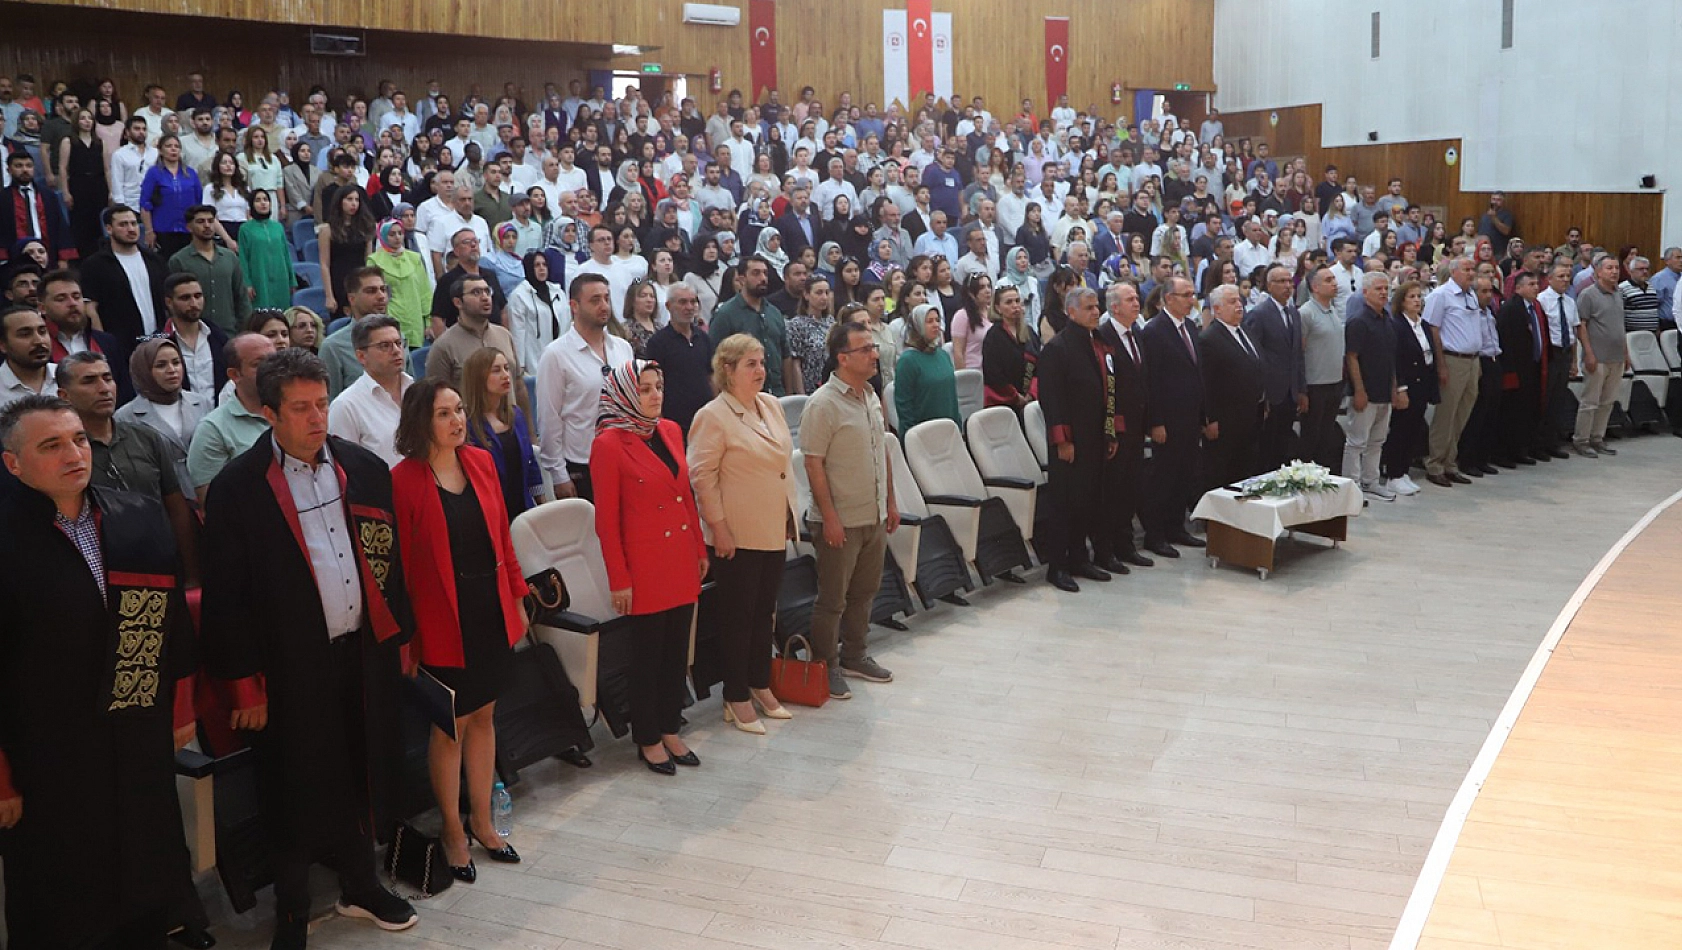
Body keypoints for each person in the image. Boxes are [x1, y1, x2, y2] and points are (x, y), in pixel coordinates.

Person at [200, 349, 419, 949]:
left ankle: (361, 884)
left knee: (360, 771)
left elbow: (389, 567)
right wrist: (244, 685)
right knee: (292, 787)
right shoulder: (236, 490)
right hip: (288, 666)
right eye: (300, 409)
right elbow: (226, 599)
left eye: (322, 404)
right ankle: (292, 909)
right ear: (269, 413)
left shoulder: (364, 468)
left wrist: (398, 639)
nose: (317, 418)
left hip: (361, 652)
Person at [0, 394, 198, 950]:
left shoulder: (136, 515)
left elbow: (171, 622)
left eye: (80, 440)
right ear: (13, 464)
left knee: (145, 876)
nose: (73, 454)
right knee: (64, 897)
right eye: (51, 445)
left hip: (135, 734)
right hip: (48, 753)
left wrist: (180, 707)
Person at [391, 376, 527, 882]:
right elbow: (397, 569)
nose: (457, 421)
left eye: (458, 411)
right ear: (421, 421)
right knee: (450, 725)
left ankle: (484, 822)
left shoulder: (482, 462)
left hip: (488, 608)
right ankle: (452, 829)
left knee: (485, 714)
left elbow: (503, 536)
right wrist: (406, 637)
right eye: (444, 414)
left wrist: (517, 592)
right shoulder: (402, 480)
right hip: (438, 618)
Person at [590, 359, 708, 774]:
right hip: (643, 566)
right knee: (649, 654)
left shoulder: (671, 430)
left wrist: (698, 548)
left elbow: (685, 496)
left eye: (658, 386)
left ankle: (670, 726)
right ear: (624, 393)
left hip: (679, 558)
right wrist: (619, 579)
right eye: (645, 388)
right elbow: (606, 523)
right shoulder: (607, 444)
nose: (655, 394)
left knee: (677, 651)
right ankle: (647, 736)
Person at [687, 333, 799, 734]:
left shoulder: (769, 404)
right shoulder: (713, 415)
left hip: (772, 527)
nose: (760, 370)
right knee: (738, 617)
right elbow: (701, 477)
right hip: (735, 533)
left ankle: (759, 682)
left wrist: (789, 516)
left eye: (762, 362)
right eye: (750, 364)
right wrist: (718, 528)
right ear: (727, 370)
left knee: (764, 614)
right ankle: (735, 695)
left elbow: (782, 463)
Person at [801, 320, 898, 700]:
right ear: (842, 358)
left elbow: (882, 450)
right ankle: (826, 665)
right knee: (833, 599)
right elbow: (813, 464)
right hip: (838, 520)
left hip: (872, 513)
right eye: (865, 350)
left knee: (865, 592)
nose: (874, 355)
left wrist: (889, 501)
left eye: (874, 348)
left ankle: (856, 655)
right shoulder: (823, 403)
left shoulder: (872, 395)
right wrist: (831, 518)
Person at [1037, 286, 1118, 593]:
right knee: (1064, 504)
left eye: (1097, 306)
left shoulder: (1098, 343)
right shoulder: (1057, 348)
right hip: (1070, 442)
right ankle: (1057, 566)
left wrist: (1110, 431)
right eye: (1089, 307)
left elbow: (1109, 390)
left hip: (1096, 436)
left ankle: (1080, 558)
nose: (1096, 311)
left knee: (1088, 501)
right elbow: (1052, 400)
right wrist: (1062, 441)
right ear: (1071, 312)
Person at [536, 272, 634, 499]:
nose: (603, 306)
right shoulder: (556, 354)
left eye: (606, 298)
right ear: (574, 306)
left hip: (625, 456)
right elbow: (549, 418)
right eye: (595, 300)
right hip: (582, 463)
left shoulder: (622, 348)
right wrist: (559, 475)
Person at [1135, 277, 1208, 557]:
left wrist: (1203, 414)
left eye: (1192, 294)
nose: (1192, 300)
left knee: (1185, 475)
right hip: (1167, 419)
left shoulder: (1189, 326)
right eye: (1185, 295)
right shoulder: (1154, 331)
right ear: (1168, 299)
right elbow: (1150, 382)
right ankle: (1156, 535)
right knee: (1163, 479)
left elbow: (1197, 373)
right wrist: (1155, 422)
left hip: (1190, 416)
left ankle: (1176, 527)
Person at [116, 336, 212, 497]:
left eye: (176, 362)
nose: (171, 370)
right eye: (161, 365)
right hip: (162, 499)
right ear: (144, 371)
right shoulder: (125, 416)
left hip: (206, 491)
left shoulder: (201, 402)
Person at [184, 331, 274, 502]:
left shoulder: (293, 412)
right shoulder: (213, 429)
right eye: (258, 364)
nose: (270, 369)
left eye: (274, 360)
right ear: (235, 375)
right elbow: (212, 504)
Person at [1343, 272, 1405, 501]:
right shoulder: (1358, 321)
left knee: (1377, 440)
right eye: (1377, 288)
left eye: (1386, 288)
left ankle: (1370, 480)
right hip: (1365, 392)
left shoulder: (1387, 320)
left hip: (1384, 391)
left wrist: (1394, 388)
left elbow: (1391, 359)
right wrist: (1359, 390)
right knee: (1357, 441)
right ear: (1365, 292)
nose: (1383, 292)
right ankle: (1352, 484)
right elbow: (1351, 357)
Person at [1421, 257, 1483, 486]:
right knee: (1446, 414)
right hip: (1452, 359)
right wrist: (1441, 365)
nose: (1471, 273)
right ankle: (1435, 463)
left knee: (1462, 414)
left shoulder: (1471, 295)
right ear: (1454, 272)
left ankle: (1450, 462)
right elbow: (1433, 330)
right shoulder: (1440, 295)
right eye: (1466, 269)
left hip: (1472, 360)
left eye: (1472, 269)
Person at [461, 347, 542, 519]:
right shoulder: (466, 425)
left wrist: (542, 504)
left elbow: (531, 464)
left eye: (506, 368)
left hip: (524, 507)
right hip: (489, 513)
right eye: (496, 370)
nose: (506, 375)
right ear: (478, 378)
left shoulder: (516, 415)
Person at [1199, 284, 1266, 490]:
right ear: (1217, 309)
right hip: (1225, 420)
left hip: (1251, 414)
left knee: (1245, 468)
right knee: (1221, 472)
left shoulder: (1244, 330)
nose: (1239, 305)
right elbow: (1206, 383)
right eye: (1232, 302)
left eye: (1239, 300)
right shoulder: (1209, 339)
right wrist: (1209, 419)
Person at [1243, 263, 1307, 472]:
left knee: (1283, 444)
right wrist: (1262, 395)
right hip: (1271, 393)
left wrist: (1301, 390)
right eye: (1281, 282)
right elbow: (1254, 358)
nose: (1288, 286)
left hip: (1290, 392)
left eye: (1290, 281)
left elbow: (1297, 355)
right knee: (1265, 446)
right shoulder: (1259, 314)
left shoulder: (1294, 313)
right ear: (1269, 286)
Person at [328, 315, 412, 467]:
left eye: (399, 343)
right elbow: (344, 469)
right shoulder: (346, 406)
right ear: (361, 356)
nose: (396, 351)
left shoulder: (417, 392)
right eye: (385, 346)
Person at [80, 204, 169, 341]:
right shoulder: (95, 265)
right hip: (120, 342)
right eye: (123, 225)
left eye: (133, 224)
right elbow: (91, 308)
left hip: (158, 340)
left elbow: (168, 300)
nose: (131, 229)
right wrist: (103, 343)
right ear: (109, 229)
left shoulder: (154, 260)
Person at [709, 255, 793, 396]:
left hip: (777, 394)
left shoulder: (774, 312)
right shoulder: (725, 314)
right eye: (756, 273)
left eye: (765, 273)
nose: (763, 278)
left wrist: (789, 393)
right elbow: (715, 361)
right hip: (741, 395)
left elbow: (785, 355)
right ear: (742, 279)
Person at [1382, 280, 1436, 496]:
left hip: (1422, 382)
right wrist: (1400, 387)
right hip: (1407, 383)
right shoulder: (1397, 325)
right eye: (1411, 297)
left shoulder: (1422, 324)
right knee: (1401, 430)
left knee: (1414, 428)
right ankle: (1393, 473)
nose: (1417, 301)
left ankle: (1404, 471)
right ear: (1401, 301)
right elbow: (1396, 359)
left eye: (1419, 296)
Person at [168, 204, 253, 333]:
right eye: (200, 222)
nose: (207, 225)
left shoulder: (229, 257)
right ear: (189, 227)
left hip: (229, 332)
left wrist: (246, 329)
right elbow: (174, 302)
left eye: (211, 221)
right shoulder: (179, 260)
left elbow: (241, 298)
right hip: (195, 332)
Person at [1572, 255, 1626, 458]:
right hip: (1597, 357)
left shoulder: (1619, 293)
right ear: (1598, 271)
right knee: (1590, 401)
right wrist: (1589, 353)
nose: (1614, 272)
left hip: (1616, 356)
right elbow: (1582, 326)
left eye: (1616, 268)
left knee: (1608, 402)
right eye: (1609, 268)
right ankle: (1581, 440)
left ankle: (1597, 437)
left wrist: (1626, 353)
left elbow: (1621, 326)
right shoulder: (1588, 295)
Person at [427, 273, 521, 389]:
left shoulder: (505, 335)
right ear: (458, 302)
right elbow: (436, 394)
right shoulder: (443, 346)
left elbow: (518, 385)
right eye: (476, 292)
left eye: (487, 291)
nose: (485, 297)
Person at [1495, 270, 1550, 467]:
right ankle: (1504, 453)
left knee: (1527, 411)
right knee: (1512, 412)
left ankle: (1522, 449)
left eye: (1537, 284)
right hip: (1515, 369)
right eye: (1531, 284)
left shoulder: (1535, 307)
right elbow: (1505, 341)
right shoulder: (1511, 309)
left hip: (1533, 367)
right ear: (1518, 288)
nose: (1536, 287)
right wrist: (1509, 372)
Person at [644, 282, 715, 433]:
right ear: (669, 306)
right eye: (683, 302)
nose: (689, 307)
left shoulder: (703, 338)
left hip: (706, 421)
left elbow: (711, 377)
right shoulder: (658, 343)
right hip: (675, 424)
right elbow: (654, 384)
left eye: (693, 301)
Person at [1298, 265, 1347, 471]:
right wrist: (1302, 390)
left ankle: (1321, 480)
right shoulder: (1306, 313)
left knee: (1326, 438)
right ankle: (1305, 479)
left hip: (1334, 383)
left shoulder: (1332, 310)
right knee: (1311, 438)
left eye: (1334, 279)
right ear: (1315, 287)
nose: (1334, 283)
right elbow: (1299, 353)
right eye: (1328, 280)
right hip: (1315, 385)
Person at [318, 266, 392, 397]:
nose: (381, 296)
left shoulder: (398, 338)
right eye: (371, 291)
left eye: (383, 289)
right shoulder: (334, 347)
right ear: (352, 299)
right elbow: (329, 402)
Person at [893, 302, 961, 433]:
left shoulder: (943, 355)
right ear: (917, 326)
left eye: (937, 320)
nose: (936, 325)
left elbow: (952, 398)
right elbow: (904, 406)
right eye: (929, 321)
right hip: (923, 434)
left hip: (949, 431)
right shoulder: (908, 360)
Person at [1535, 263, 1579, 459]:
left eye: (1568, 276)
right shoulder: (1542, 300)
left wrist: (1574, 361)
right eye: (1560, 276)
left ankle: (1553, 442)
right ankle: (1538, 444)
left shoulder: (1570, 302)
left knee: (1559, 399)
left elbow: (1573, 332)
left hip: (1565, 352)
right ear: (1550, 279)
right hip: (1550, 352)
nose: (1565, 280)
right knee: (1545, 398)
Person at [139, 134, 201, 258]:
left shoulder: (190, 173)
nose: (173, 149)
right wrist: (149, 231)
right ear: (160, 150)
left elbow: (198, 201)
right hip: (163, 229)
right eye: (169, 146)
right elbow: (145, 204)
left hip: (187, 229)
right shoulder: (154, 173)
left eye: (176, 146)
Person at [506, 250, 567, 371]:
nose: (542, 268)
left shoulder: (558, 292)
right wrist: (520, 365)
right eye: (537, 265)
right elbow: (518, 331)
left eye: (544, 265)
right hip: (534, 359)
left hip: (561, 358)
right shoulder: (519, 295)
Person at [239, 189, 294, 309]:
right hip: (259, 276)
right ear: (252, 205)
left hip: (280, 276)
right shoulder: (245, 229)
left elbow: (286, 254)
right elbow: (243, 258)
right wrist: (247, 284)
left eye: (265, 199)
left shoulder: (278, 227)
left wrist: (292, 280)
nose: (263, 203)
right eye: (258, 200)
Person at [0, 304, 57, 409]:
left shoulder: (69, 377)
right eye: (25, 334)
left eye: (42, 331)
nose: (39, 341)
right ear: (3, 345)